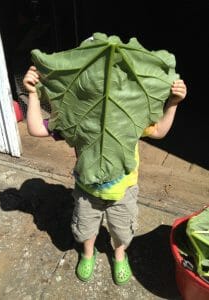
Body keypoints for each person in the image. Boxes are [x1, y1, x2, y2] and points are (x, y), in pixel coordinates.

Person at [23, 65, 187, 285]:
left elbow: (157, 131)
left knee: (122, 232)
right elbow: (35, 128)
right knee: (85, 229)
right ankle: (88, 253)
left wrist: (172, 104)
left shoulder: (131, 115)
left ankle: (120, 255)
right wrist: (33, 93)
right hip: (86, 191)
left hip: (124, 191)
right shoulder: (76, 117)